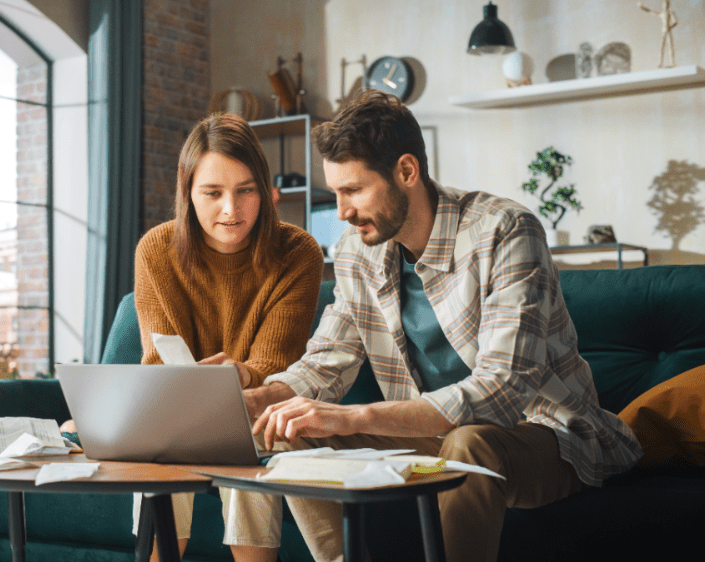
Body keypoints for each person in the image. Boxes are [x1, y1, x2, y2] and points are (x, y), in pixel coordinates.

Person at [243, 90, 643, 562]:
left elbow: (502, 390)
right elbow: (324, 364)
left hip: (543, 434)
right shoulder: (356, 252)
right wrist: (254, 400)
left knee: (468, 442)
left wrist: (357, 415)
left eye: (353, 191)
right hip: (428, 437)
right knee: (287, 427)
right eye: (336, 193)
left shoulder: (506, 230)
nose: (343, 212)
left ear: (406, 171)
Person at [66, 112, 324, 562]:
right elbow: (158, 364)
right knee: (164, 447)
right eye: (213, 192)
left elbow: (276, 366)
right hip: (176, 414)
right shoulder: (156, 250)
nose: (231, 208)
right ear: (188, 192)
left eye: (246, 191)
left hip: (259, 409)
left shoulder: (298, 251)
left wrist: (240, 374)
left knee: (249, 439)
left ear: (265, 191)